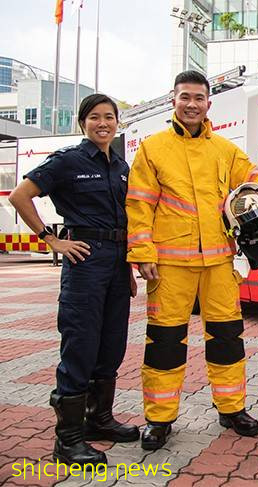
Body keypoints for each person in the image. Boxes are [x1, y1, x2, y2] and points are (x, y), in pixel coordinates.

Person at [126, 70, 258, 450]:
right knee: (165, 342)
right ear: (173, 100)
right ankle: (159, 418)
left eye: (199, 98)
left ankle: (232, 408)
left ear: (208, 104)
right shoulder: (152, 149)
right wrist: (142, 252)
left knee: (228, 339)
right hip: (169, 264)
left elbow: (253, 177)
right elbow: (138, 205)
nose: (192, 104)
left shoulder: (223, 149)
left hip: (218, 261)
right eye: (185, 97)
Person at [9, 94, 139, 467]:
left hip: (117, 263)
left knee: (112, 344)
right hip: (85, 261)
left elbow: (125, 222)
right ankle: (67, 441)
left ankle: (99, 420)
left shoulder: (121, 166)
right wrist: (51, 240)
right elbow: (21, 195)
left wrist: (127, 269)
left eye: (110, 117)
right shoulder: (68, 161)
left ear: (117, 123)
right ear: (83, 122)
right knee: (80, 345)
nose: (103, 123)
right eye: (95, 117)